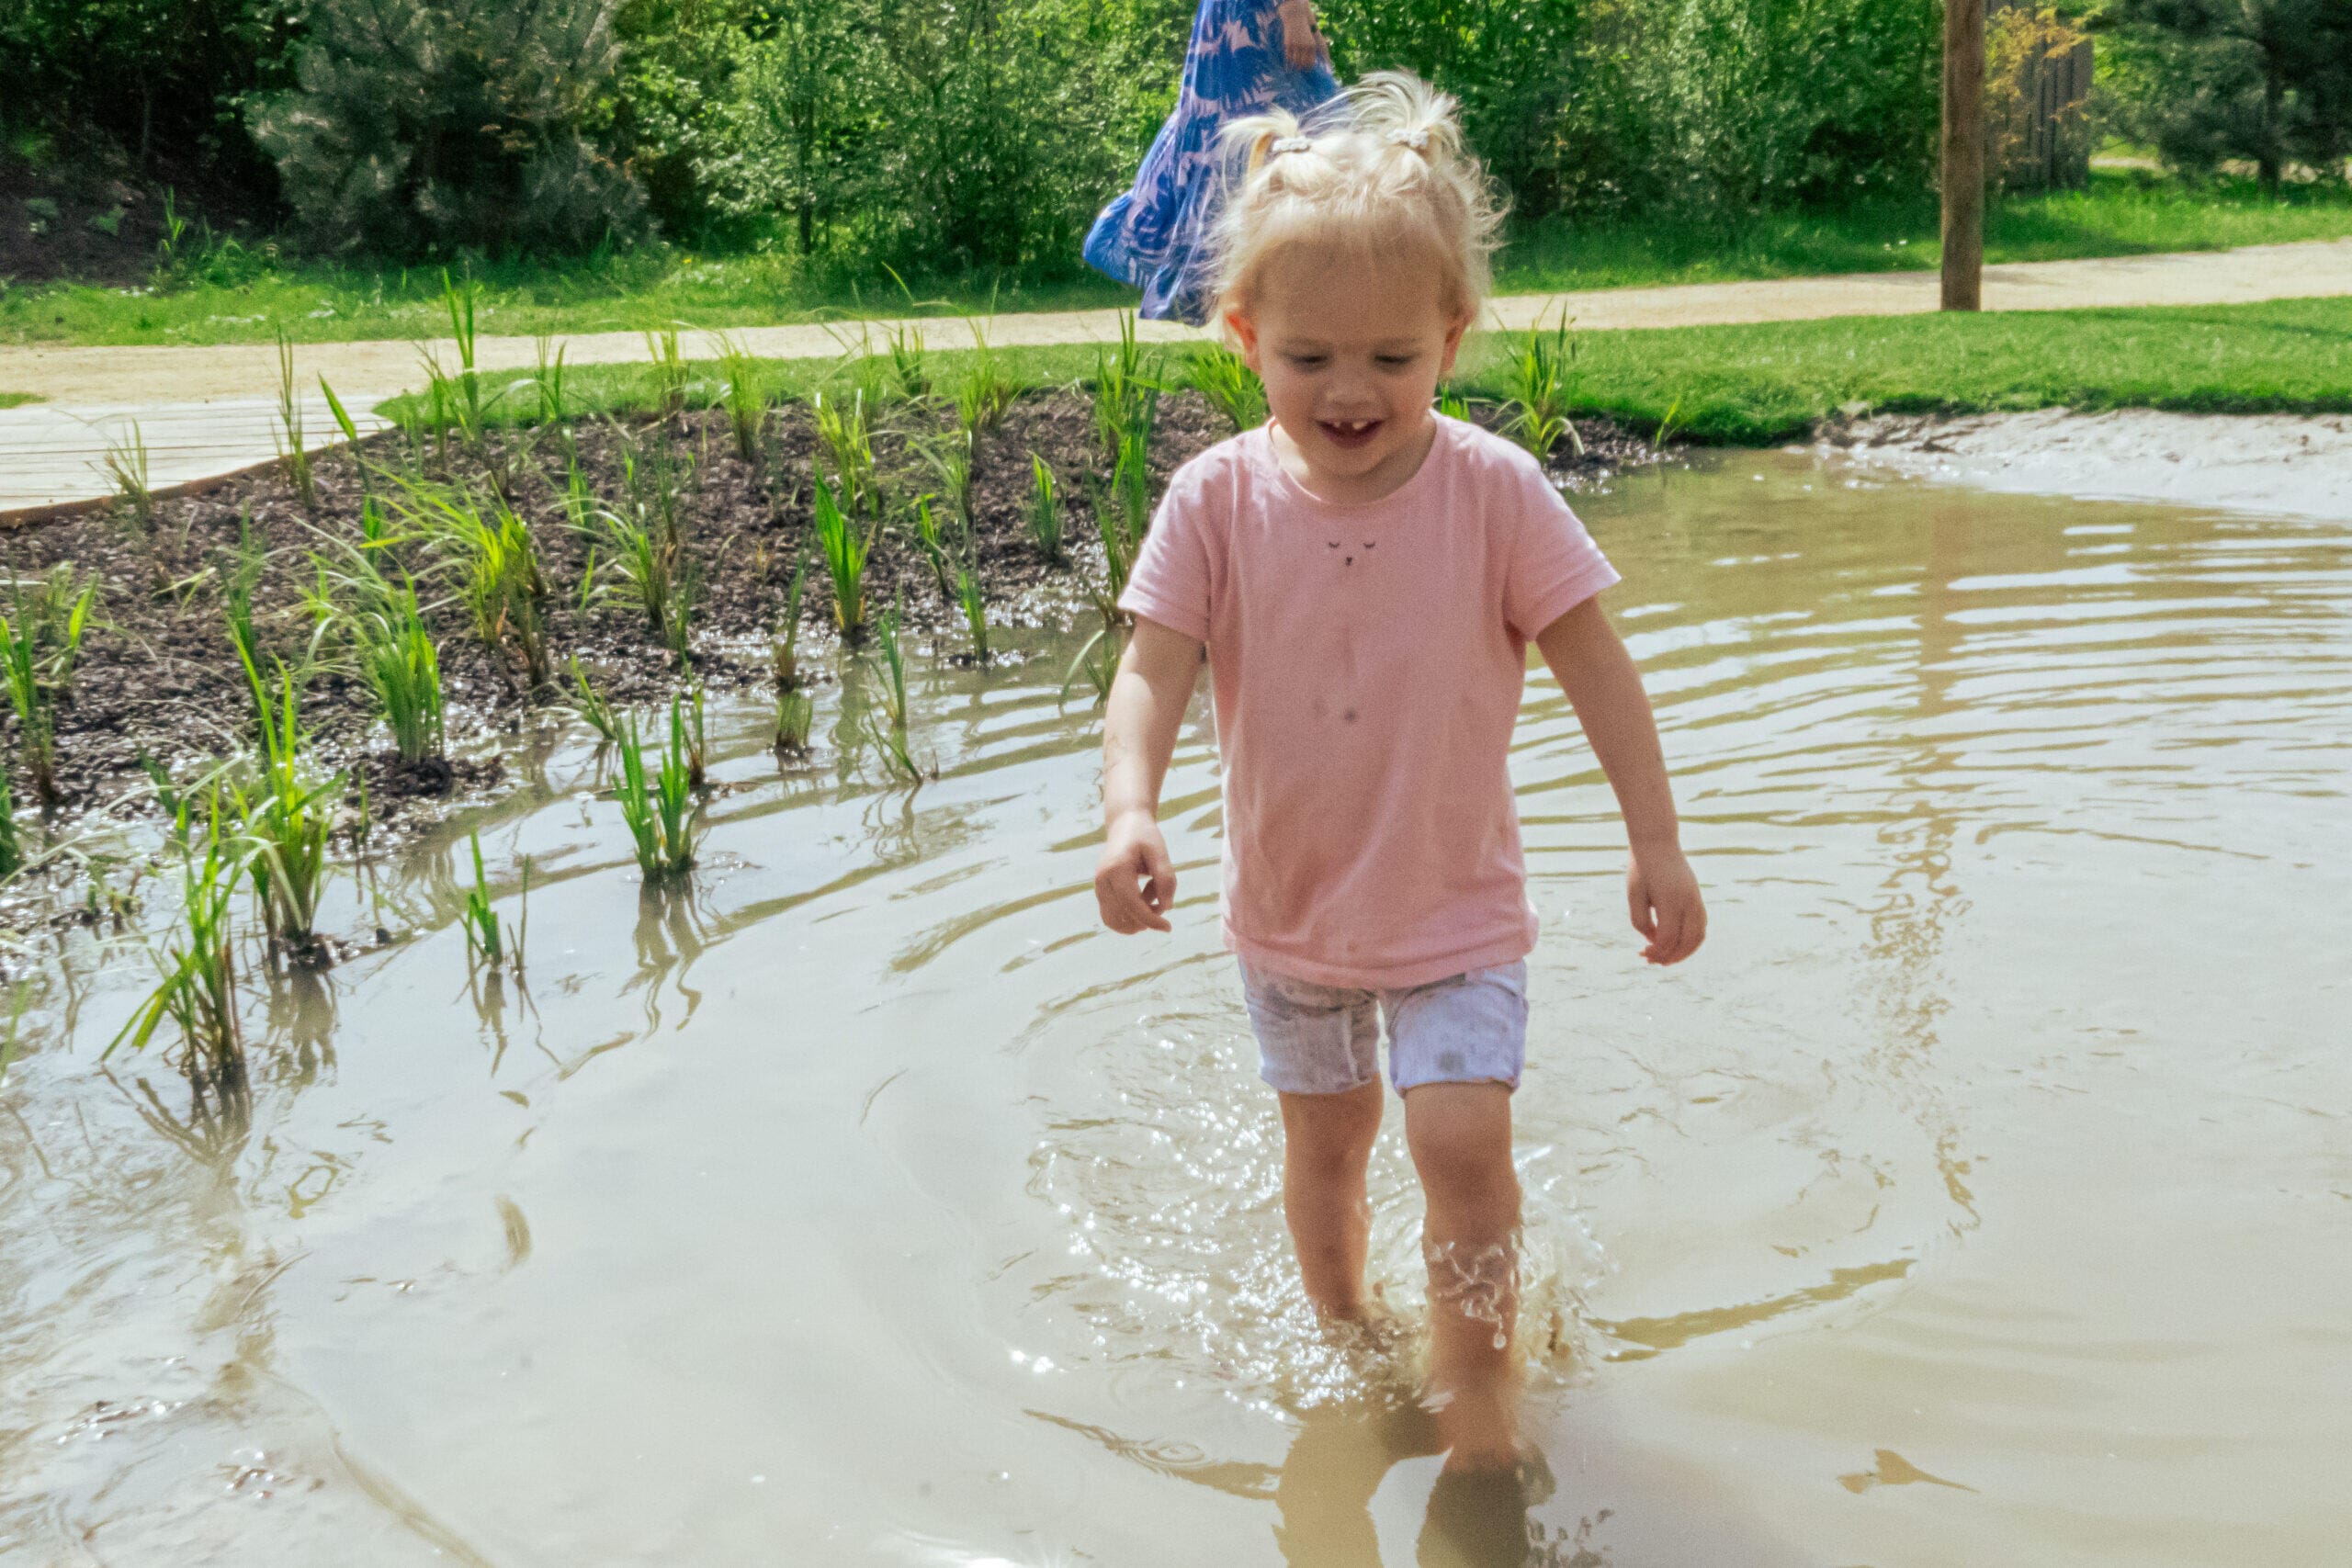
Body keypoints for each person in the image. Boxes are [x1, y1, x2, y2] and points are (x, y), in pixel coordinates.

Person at [1091, 73, 1708, 1477]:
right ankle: (1343, 1332)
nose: (1351, 392)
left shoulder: (1493, 489)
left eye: (1390, 356)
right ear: (1243, 337)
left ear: (1452, 335)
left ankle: (1477, 1389)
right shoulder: (1216, 500)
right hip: (1294, 911)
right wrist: (1132, 804)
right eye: (1310, 358)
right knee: (1327, 1144)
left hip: (1452, 910)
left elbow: (1599, 665)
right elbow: (1152, 668)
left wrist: (1654, 838)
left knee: (1459, 1138)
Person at [1082, 0, 1339, 325]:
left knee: (1271, 139)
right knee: (1263, 138)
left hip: (1243, 18)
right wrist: (1293, 11)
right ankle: (1273, 304)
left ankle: (1278, 300)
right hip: (1248, 20)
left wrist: (1303, 18)